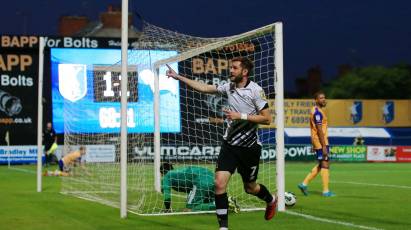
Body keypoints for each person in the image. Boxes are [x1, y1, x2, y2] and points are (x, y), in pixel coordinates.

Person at [166, 57, 276, 230]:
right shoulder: (228, 87)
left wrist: (241, 116)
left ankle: (271, 200)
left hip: (249, 149)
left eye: (234, 68)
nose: (230, 70)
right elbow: (205, 88)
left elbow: (267, 119)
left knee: (250, 188)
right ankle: (223, 227)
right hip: (229, 146)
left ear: (244, 72)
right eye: (231, 68)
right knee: (219, 184)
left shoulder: (256, 91)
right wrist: (178, 77)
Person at [298, 91, 335, 197]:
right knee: (325, 163)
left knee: (322, 164)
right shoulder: (317, 112)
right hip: (321, 141)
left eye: (324, 97)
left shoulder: (316, 111)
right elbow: (318, 130)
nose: (324, 99)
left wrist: (313, 144)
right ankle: (326, 191)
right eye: (321, 98)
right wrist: (323, 146)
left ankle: (304, 184)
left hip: (318, 141)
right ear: (316, 100)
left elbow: (312, 129)